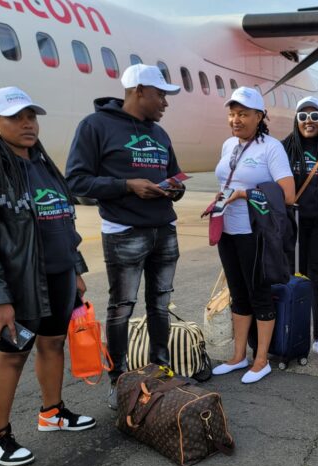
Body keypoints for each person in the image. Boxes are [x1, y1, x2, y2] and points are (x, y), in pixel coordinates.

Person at [0, 87, 95, 466]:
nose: (28, 123)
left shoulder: (43, 163)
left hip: (59, 276)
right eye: (16, 117)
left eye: (31, 116)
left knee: (53, 345)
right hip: (19, 285)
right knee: (12, 356)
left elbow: (63, 219)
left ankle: (52, 412)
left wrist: (76, 268)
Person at [66, 64, 184, 410]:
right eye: (160, 94)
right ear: (138, 91)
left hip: (164, 229)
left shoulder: (160, 134)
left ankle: (161, 367)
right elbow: (76, 181)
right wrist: (126, 186)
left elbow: (173, 174)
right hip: (124, 232)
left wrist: (174, 188)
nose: (165, 102)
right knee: (122, 308)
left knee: (160, 303)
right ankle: (119, 380)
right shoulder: (95, 126)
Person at [210, 87, 295, 383]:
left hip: (254, 234)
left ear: (259, 117)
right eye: (232, 114)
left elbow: (287, 194)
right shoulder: (227, 145)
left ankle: (261, 361)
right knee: (238, 294)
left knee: (259, 294)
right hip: (228, 231)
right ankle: (237, 357)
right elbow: (227, 182)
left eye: (243, 114)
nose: (236, 120)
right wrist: (219, 201)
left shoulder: (271, 148)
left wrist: (244, 194)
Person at [282, 97, 318, 360]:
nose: (308, 122)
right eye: (302, 116)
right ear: (296, 120)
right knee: (293, 280)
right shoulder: (283, 149)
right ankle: (294, 333)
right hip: (292, 227)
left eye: (315, 116)